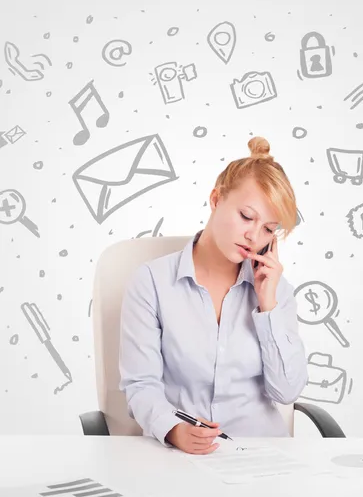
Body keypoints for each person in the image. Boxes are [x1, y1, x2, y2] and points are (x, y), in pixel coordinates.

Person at [118, 136, 309, 455]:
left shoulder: (276, 291)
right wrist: (174, 430)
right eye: (247, 217)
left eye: (268, 229)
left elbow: (287, 392)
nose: (253, 235)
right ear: (216, 199)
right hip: (182, 457)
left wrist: (268, 305)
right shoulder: (151, 282)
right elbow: (141, 385)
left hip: (263, 456)